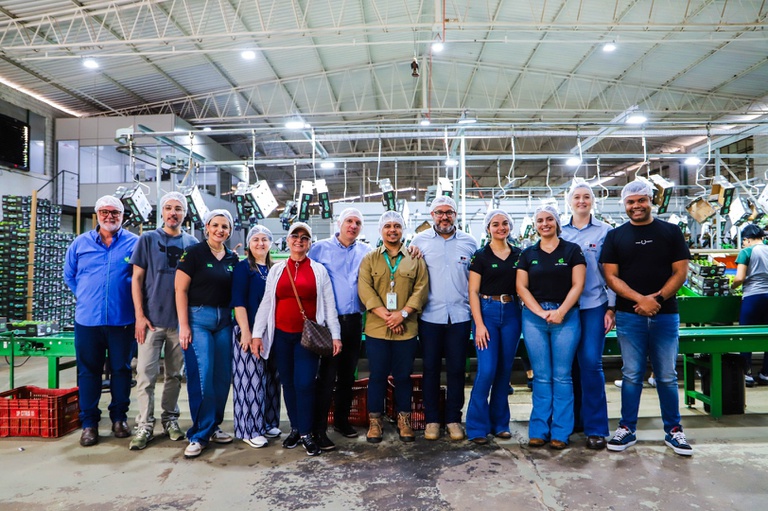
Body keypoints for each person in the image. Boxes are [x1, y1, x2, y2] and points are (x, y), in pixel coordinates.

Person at [601, 180, 693, 456]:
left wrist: (658, 299)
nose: (636, 206)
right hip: (630, 316)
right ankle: (626, 428)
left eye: (641, 200)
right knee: (631, 374)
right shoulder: (616, 236)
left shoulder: (671, 232)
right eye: (630, 202)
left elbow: (680, 272)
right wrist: (640, 300)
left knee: (666, 375)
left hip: (665, 316)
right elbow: (610, 275)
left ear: (651, 201)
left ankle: (674, 431)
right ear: (624, 205)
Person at [252, 222, 342, 456]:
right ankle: (295, 428)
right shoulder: (278, 270)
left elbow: (330, 305)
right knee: (288, 384)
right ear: (288, 240)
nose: (299, 240)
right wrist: (256, 334)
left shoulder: (318, 270)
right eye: (295, 236)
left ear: (309, 243)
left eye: (305, 237)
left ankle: (306, 432)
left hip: (307, 339)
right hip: (281, 336)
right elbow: (267, 303)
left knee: (305, 383)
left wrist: (336, 335)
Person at [64, 195, 139, 447]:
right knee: (88, 372)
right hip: (88, 320)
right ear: (97, 214)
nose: (110, 216)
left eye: (115, 212)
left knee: (121, 370)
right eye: (105, 212)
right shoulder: (79, 244)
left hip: (123, 320)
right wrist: (87, 297)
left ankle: (119, 419)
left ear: (122, 216)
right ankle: (89, 424)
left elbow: (141, 279)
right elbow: (70, 276)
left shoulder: (134, 243)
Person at [129, 191, 198, 451]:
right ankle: (144, 425)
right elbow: (136, 279)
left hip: (179, 323)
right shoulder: (147, 239)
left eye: (178, 208)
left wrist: (187, 322)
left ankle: (170, 419)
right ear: (162, 212)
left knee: (174, 376)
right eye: (168, 208)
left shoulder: (191, 242)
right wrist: (139, 315)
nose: (173, 213)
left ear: (185, 214)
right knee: (145, 376)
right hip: (151, 322)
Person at [516, 204, 586, 450]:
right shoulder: (528, 254)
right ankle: (538, 430)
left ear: (557, 223)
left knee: (563, 376)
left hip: (566, 316)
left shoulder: (572, 251)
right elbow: (521, 288)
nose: (544, 224)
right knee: (542, 376)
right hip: (534, 318)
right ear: (535, 226)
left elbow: (578, 285)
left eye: (549, 219)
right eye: (539, 221)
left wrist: (561, 312)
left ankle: (561, 431)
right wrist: (540, 312)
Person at [357, 211, 429, 443]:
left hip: (406, 329)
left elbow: (421, 289)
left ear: (403, 230)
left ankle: (404, 420)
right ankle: (375, 421)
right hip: (377, 329)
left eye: (397, 226)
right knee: (377, 376)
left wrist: (403, 314)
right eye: (387, 225)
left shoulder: (415, 258)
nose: (392, 230)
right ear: (381, 230)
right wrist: (387, 316)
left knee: (403, 377)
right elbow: (365, 289)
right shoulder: (370, 259)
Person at [411, 196, 478, 441]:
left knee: (457, 371)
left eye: (449, 212)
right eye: (439, 212)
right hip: (430, 317)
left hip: (460, 317)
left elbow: (476, 281)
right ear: (432, 216)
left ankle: (452, 419)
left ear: (456, 215)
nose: (444, 217)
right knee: (430, 370)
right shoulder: (419, 242)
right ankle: (431, 420)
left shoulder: (470, 243)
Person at [175, 209, 239, 459]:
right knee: (202, 376)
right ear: (207, 227)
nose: (220, 230)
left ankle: (213, 426)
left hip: (224, 321)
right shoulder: (193, 253)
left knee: (222, 377)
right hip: (197, 320)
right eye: (216, 225)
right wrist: (184, 325)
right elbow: (180, 290)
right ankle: (198, 434)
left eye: (225, 226)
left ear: (230, 231)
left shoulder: (233, 258)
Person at [307, 208, 372, 449]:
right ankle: (319, 428)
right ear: (339, 223)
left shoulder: (367, 252)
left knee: (347, 375)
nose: (353, 226)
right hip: (327, 323)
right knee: (326, 377)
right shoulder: (320, 248)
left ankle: (342, 421)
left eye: (357, 222)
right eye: (349, 221)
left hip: (354, 322)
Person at [560, 181, 615, 450]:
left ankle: (595, 427)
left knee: (591, 363)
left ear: (593, 201)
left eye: (586, 197)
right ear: (569, 201)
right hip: (564, 307)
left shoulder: (606, 232)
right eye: (577, 197)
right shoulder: (559, 230)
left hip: (594, 305)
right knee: (567, 366)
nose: (582, 201)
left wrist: (611, 307)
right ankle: (570, 422)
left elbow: (611, 272)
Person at [466, 209, 523, 445]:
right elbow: (473, 291)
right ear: (488, 228)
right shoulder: (480, 256)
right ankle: (476, 425)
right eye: (495, 224)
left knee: (503, 371)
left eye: (505, 224)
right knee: (487, 369)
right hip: (487, 312)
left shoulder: (520, 255)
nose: (501, 228)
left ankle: (500, 423)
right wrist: (479, 324)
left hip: (511, 313)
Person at [231, 225, 282, 449]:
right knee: (250, 381)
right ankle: (249, 429)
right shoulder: (243, 268)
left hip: (272, 333)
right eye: (256, 240)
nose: (260, 243)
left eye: (264, 239)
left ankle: (268, 422)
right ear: (249, 244)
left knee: (271, 380)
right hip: (249, 332)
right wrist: (246, 332)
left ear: (270, 243)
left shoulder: (275, 269)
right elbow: (239, 302)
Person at [731, 223, 768, 387]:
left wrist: (731, 287)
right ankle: (765, 373)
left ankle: (746, 374)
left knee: (745, 335)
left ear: (746, 239)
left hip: (753, 298)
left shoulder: (746, 252)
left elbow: (739, 278)